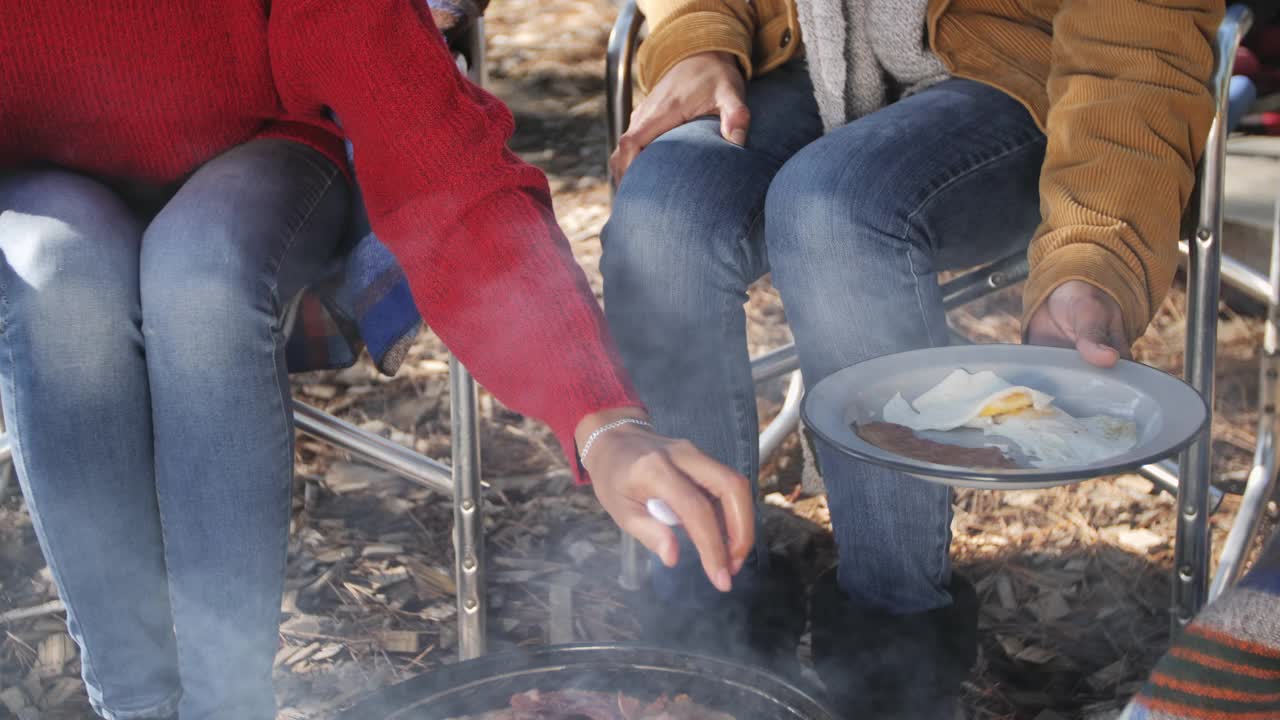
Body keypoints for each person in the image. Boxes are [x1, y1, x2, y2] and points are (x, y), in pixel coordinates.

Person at [0, 2, 754, 718]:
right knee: (58, 289)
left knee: (199, 286)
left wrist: (600, 416)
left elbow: (441, 166)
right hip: (36, 176)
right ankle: (132, 706)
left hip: (267, 145)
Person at [602, 0, 1221, 715]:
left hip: (1027, 72)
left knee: (835, 210)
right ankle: (708, 646)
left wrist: (1095, 249)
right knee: (662, 215)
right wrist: (697, 38)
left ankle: (892, 663)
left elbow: (1139, 38)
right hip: (799, 52)